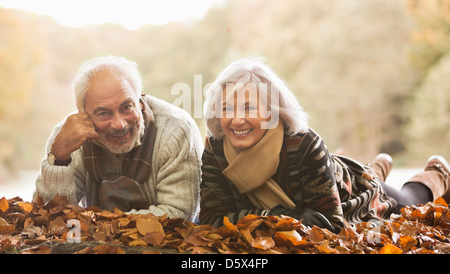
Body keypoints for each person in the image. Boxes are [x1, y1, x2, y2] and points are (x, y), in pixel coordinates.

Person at [199, 57, 450, 232]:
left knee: (407, 202)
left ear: (272, 112)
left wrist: (254, 220)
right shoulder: (216, 148)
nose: (236, 119)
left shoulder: (305, 144)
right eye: (226, 108)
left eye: (249, 108)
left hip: (352, 191)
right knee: (371, 175)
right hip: (330, 174)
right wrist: (279, 217)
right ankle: (377, 167)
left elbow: (330, 224)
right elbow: (211, 219)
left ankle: (437, 174)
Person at [33, 55, 203, 222]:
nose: (119, 124)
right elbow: (49, 215)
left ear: (140, 101)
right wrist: (59, 157)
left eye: (126, 107)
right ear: (82, 114)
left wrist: (98, 224)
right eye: (104, 113)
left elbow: (178, 213)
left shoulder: (176, 130)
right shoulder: (67, 137)